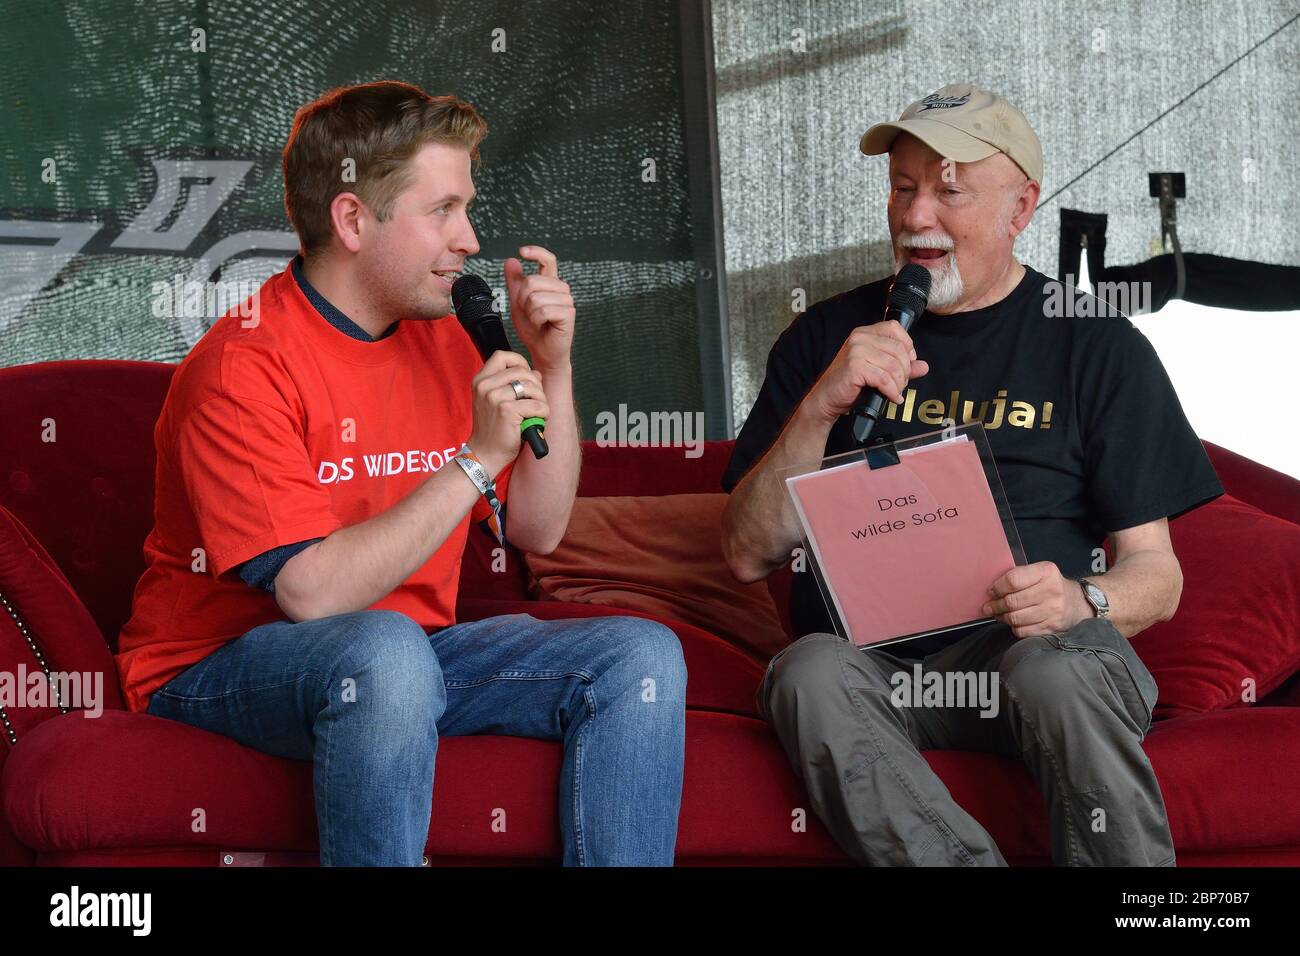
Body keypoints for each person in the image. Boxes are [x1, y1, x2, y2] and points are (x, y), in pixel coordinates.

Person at [115, 81, 686, 867]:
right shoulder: (241, 367)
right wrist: (477, 458)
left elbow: (537, 529)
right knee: (383, 654)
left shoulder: (447, 340)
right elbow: (309, 595)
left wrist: (553, 370)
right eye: (443, 210)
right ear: (353, 219)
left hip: (410, 656)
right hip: (220, 665)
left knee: (639, 657)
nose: (470, 238)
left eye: (467, 208)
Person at [720, 84, 1223, 866]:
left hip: (1038, 655)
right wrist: (821, 403)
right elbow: (746, 553)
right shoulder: (826, 335)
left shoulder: (1095, 344)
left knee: (1053, 673)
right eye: (903, 188)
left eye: (949, 190)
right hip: (876, 672)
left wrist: (1077, 598)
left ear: (1020, 208)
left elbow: (1158, 577)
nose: (917, 216)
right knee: (806, 671)